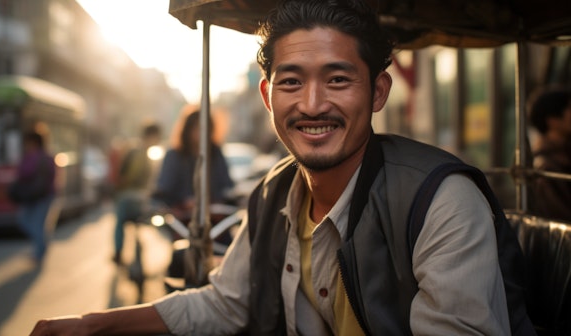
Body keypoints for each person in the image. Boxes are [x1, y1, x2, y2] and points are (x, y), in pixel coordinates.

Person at [30, 0, 532, 334]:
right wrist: (92, 325)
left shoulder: (438, 199)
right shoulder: (275, 192)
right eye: (291, 82)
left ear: (379, 92)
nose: (313, 105)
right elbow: (226, 302)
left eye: (338, 80)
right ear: (268, 95)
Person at [152, 108, 234, 222]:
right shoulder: (174, 155)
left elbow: (226, 186)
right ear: (188, 130)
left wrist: (213, 201)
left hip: (214, 219)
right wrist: (184, 202)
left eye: (206, 128)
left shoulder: (216, 153)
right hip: (181, 220)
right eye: (197, 128)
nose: (201, 133)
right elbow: (164, 190)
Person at [112, 122, 162, 264]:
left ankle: (118, 252)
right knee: (123, 221)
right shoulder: (140, 153)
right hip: (132, 196)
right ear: (151, 136)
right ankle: (119, 252)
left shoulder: (141, 152)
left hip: (133, 196)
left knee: (121, 222)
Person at [11, 130, 57, 264]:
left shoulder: (32, 157)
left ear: (33, 143)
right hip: (46, 194)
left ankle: (40, 250)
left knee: (28, 222)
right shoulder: (48, 156)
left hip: (35, 195)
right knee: (38, 224)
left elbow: (21, 173)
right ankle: (40, 248)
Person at [528, 86, 571, 222]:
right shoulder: (546, 165)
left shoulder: (562, 152)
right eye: (569, 109)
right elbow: (561, 214)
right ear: (553, 120)